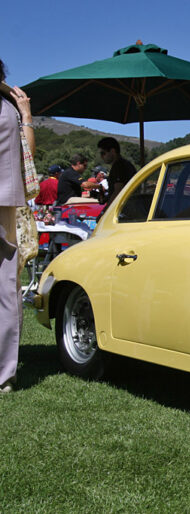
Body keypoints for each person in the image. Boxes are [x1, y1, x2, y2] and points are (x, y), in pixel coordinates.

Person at [0, 59, 35, 393]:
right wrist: (24, 113)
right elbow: (29, 159)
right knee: (6, 290)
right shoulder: (9, 111)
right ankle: (5, 375)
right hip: (6, 204)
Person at [97, 137, 136, 205]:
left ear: (112, 151)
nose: (101, 156)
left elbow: (118, 191)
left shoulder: (119, 166)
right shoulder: (125, 164)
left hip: (124, 209)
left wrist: (107, 210)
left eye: (103, 153)